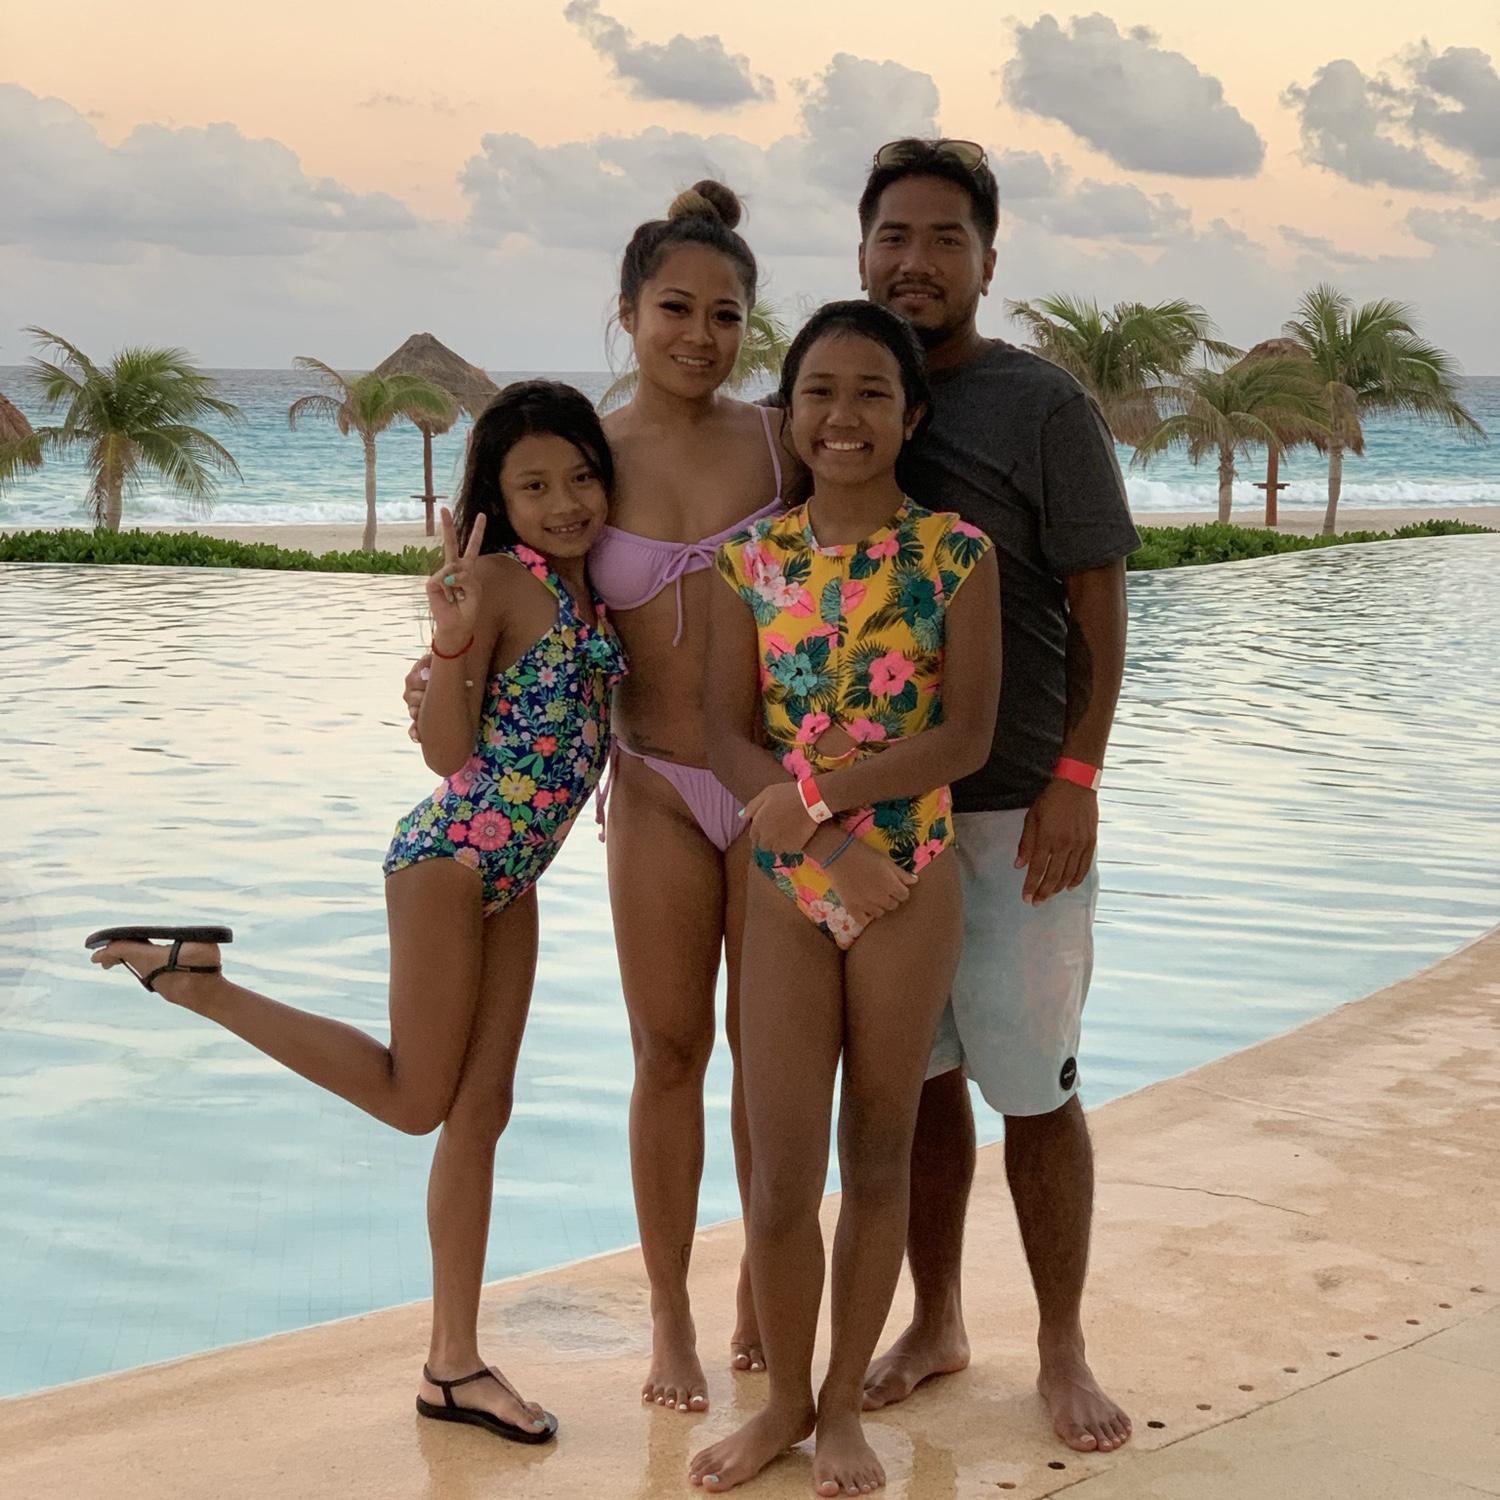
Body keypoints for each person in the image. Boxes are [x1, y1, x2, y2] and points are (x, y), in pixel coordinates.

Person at [85, 380, 626, 1447]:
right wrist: (453, 642)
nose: (564, 502)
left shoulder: (590, 591)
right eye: (533, 486)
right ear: (498, 498)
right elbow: (447, 758)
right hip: (450, 863)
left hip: (512, 877)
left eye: (580, 478)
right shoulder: (497, 582)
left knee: (481, 1114)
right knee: (417, 1102)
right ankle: (200, 985)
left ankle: (452, 1366)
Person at [406, 180, 799, 1413]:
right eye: (675, 307)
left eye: (726, 314)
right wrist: (442, 662)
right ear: (627, 312)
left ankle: (760, 1280)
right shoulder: (590, 464)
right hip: (659, 785)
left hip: (773, 782)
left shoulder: (781, 443)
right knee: (669, 1052)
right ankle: (670, 1318)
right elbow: (512, 611)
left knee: (769, 1057)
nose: (700, 334)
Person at [852, 139, 1139, 1456]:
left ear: (987, 258)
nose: (916, 261)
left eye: (945, 239)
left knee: (1033, 1089)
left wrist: (1078, 774)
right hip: (881, 824)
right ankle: (937, 1321)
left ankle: (1062, 1345)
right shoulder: (841, 390)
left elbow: (1098, 597)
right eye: (894, 236)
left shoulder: (1041, 406)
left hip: (1021, 808)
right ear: (862, 249)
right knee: (918, 1088)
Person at [688, 300, 1001, 1496]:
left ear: (911, 415)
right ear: (791, 412)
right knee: (780, 1172)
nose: (844, 415)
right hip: (787, 887)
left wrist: (816, 796)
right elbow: (724, 734)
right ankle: (781, 1402)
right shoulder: (748, 562)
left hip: (909, 881)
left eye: (873, 391)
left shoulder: (956, 556)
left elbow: (964, 738)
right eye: (820, 390)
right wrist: (816, 838)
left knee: (877, 1153)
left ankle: (840, 1410)